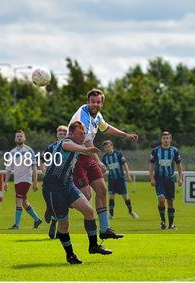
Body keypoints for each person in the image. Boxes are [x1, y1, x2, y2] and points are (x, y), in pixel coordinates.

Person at [69, 89, 138, 240]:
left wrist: (125, 134)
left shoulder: (97, 115)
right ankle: (63, 200)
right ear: (88, 102)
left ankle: (105, 229)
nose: (95, 104)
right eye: (92, 101)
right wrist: (99, 161)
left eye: (98, 102)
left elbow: (105, 127)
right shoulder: (83, 116)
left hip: (87, 155)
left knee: (101, 190)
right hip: (76, 157)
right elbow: (87, 142)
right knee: (86, 195)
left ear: (102, 103)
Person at [42, 121, 112, 265]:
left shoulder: (78, 147)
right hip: (53, 189)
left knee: (89, 211)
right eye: (81, 133)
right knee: (64, 225)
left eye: (84, 133)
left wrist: (96, 161)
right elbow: (68, 146)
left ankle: (93, 246)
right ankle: (70, 255)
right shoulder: (66, 141)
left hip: (68, 186)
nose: (83, 136)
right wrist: (85, 149)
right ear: (72, 133)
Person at [4, 130, 43, 229]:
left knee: (18, 200)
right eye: (17, 136)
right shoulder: (12, 152)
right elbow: (9, 169)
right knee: (24, 202)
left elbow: (34, 167)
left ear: (24, 138)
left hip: (26, 179)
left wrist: (35, 182)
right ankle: (37, 219)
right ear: (15, 138)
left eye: (21, 136)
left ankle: (16, 225)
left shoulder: (29, 151)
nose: (19, 138)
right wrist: (6, 182)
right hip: (17, 180)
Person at [149, 131, 183, 230]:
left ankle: (171, 224)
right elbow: (151, 164)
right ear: (161, 140)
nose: (165, 140)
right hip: (159, 179)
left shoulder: (175, 151)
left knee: (170, 202)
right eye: (164, 138)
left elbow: (179, 165)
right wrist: (151, 178)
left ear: (170, 139)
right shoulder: (155, 151)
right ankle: (163, 221)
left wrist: (180, 178)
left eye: (167, 138)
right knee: (161, 200)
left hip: (170, 180)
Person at [101, 140, 138, 219]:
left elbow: (125, 164)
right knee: (111, 197)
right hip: (111, 180)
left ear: (112, 146)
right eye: (105, 147)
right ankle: (111, 214)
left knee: (125, 197)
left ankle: (131, 211)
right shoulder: (105, 158)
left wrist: (128, 175)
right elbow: (103, 169)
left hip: (120, 179)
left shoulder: (118, 154)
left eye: (108, 146)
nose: (107, 148)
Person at [44, 125, 68, 239]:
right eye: (60, 133)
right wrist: (45, 171)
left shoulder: (71, 147)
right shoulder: (51, 147)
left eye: (65, 133)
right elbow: (41, 160)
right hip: (52, 180)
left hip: (65, 180)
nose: (62, 135)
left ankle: (55, 223)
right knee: (55, 201)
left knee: (64, 203)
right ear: (57, 134)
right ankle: (50, 210)